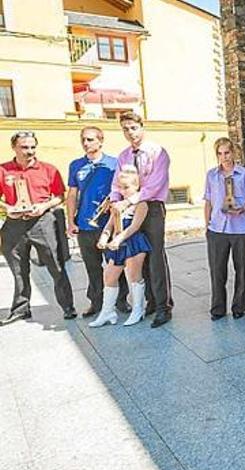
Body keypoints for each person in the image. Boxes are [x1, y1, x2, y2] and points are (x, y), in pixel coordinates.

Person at [0, 131, 76, 325]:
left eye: (32, 147)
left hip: (42, 223)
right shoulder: (3, 170)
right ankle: (21, 309)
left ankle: (68, 306)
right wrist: (8, 209)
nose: (30, 151)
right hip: (15, 225)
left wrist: (43, 206)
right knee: (18, 269)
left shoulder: (49, 169)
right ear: (14, 148)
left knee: (56, 266)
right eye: (24, 147)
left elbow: (59, 195)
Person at [109, 111, 173, 328]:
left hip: (152, 207)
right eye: (125, 129)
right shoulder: (123, 156)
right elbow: (117, 184)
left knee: (155, 257)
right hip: (129, 208)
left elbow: (155, 184)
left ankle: (164, 306)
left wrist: (130, 200)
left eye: (133, 127)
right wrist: (116, 201)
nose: (130, 132)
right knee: (138, 255)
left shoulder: (158, 152)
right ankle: (151, 301)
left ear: (142, 127)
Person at [66, 126, 130, 317]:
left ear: (101, 141)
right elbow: (72, 194)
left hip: (108, 224)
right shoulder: (76, 165)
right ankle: (96, 302)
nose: (86, 143)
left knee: (115, 263)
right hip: (85, 225)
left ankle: (121, 301)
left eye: (91, 139)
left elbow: (124, 189)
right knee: (92, 267)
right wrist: (71, 221)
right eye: (83, 139)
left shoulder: (114, 163)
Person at [89, 165, 151, 327]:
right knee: (109, 276)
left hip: (133, 242)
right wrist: (104, 237)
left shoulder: (141, 204)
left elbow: (134, 227)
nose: (123, 191)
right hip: (118, 243)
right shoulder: (117, 204)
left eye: (127, 187)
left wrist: (118, 239)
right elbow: (109, 225)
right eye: (121, 187)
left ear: (136, 186)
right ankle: (107, 311)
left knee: (133, 275)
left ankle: (138, 309)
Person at [204, 138, 245, 321]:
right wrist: (207, 226)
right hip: (217, 229)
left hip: (240, 229)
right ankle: (218, 308)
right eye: (219, 153)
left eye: (227, 152)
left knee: (240, 269)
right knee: (217, 270)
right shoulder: (211, 175)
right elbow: (208, 202)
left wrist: (243, 208)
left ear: (233, 152)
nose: (223, 157)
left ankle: (239, 307)